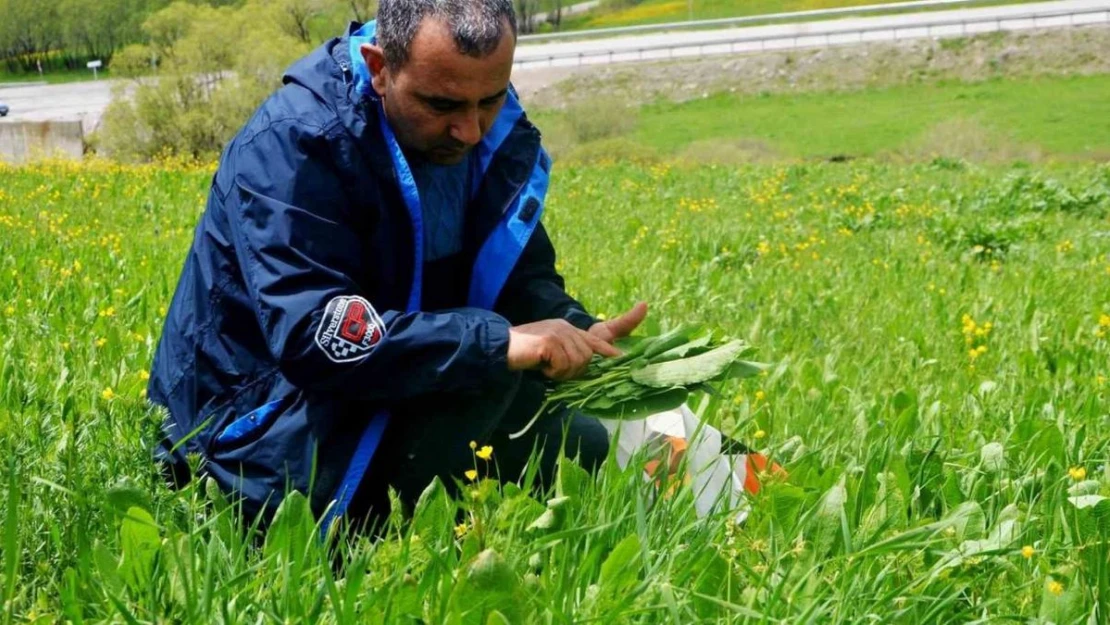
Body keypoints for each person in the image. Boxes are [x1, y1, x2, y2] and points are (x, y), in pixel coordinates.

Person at [147, 0, 648, 533]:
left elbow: (520, 278)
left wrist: (569, 325)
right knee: (498, 390)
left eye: (490, 99)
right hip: (255, 426)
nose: (470, 131)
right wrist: (499, 344)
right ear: (381, 68)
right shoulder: (295, 145)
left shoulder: (489, 135)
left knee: (591, 447)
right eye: (443, 105)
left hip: (400, 376)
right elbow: (317, 336)